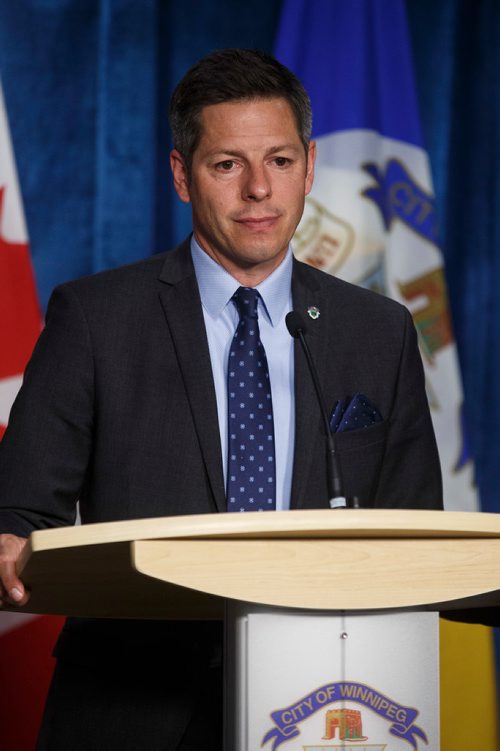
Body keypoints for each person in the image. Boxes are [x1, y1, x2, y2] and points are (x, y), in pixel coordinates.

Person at [0, 49, 442, 750]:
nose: (260, 190)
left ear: (311, 164)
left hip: (327, 702)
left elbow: (420, 530)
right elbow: (20, 511)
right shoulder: (94, 318)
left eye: (281, 160)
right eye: (227, 164)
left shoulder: (377, 330)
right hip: (132, 707)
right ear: (183, 175)